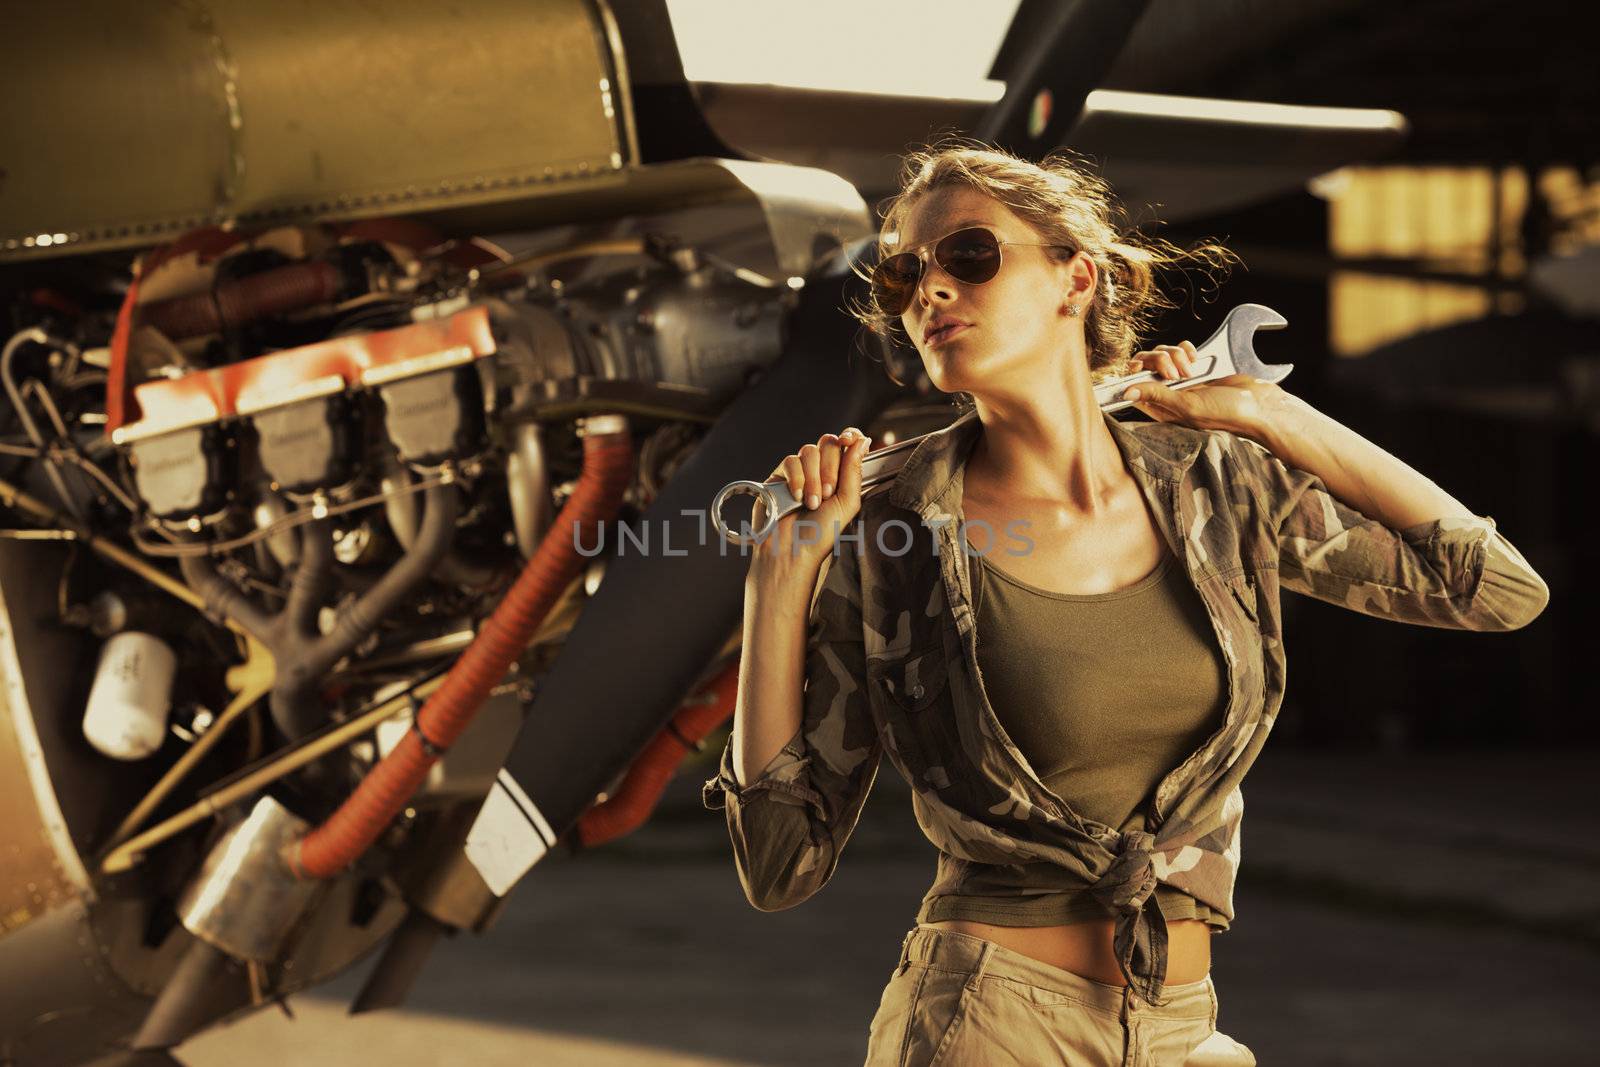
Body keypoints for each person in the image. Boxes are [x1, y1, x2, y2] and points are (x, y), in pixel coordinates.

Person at [701, 143, 1549, 1067]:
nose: (929, 292)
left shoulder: (1219, 489)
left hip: (1185, 1027)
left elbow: (1497, 589)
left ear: (1078, 278)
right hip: (989, 1024)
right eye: (905, 273)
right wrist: (778, 577)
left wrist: (1272, 414)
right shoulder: (887, 532)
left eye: (969, 256)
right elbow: (781, 863)